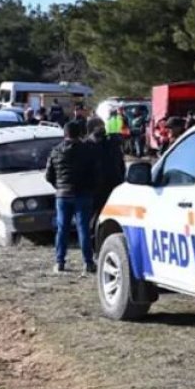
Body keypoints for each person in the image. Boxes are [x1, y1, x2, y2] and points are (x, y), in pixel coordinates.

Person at [44, 120, 99, 274]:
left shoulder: (55, 151)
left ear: (64, 134)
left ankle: (60, 261)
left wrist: (59, 186)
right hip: (83, 194)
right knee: (83, 229)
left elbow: (48, 175)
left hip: (63, 195)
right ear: (80, 133)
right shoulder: (88, 150)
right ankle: (88, 262)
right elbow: (95, 172)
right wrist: (91, 188)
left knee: (62, 229)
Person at [87, 117, 126, 255]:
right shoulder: (114, 144)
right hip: (115, 183)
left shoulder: (90, 145)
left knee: (94, 217)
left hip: (98, 186)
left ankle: (94, 245)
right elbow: (121, 166)